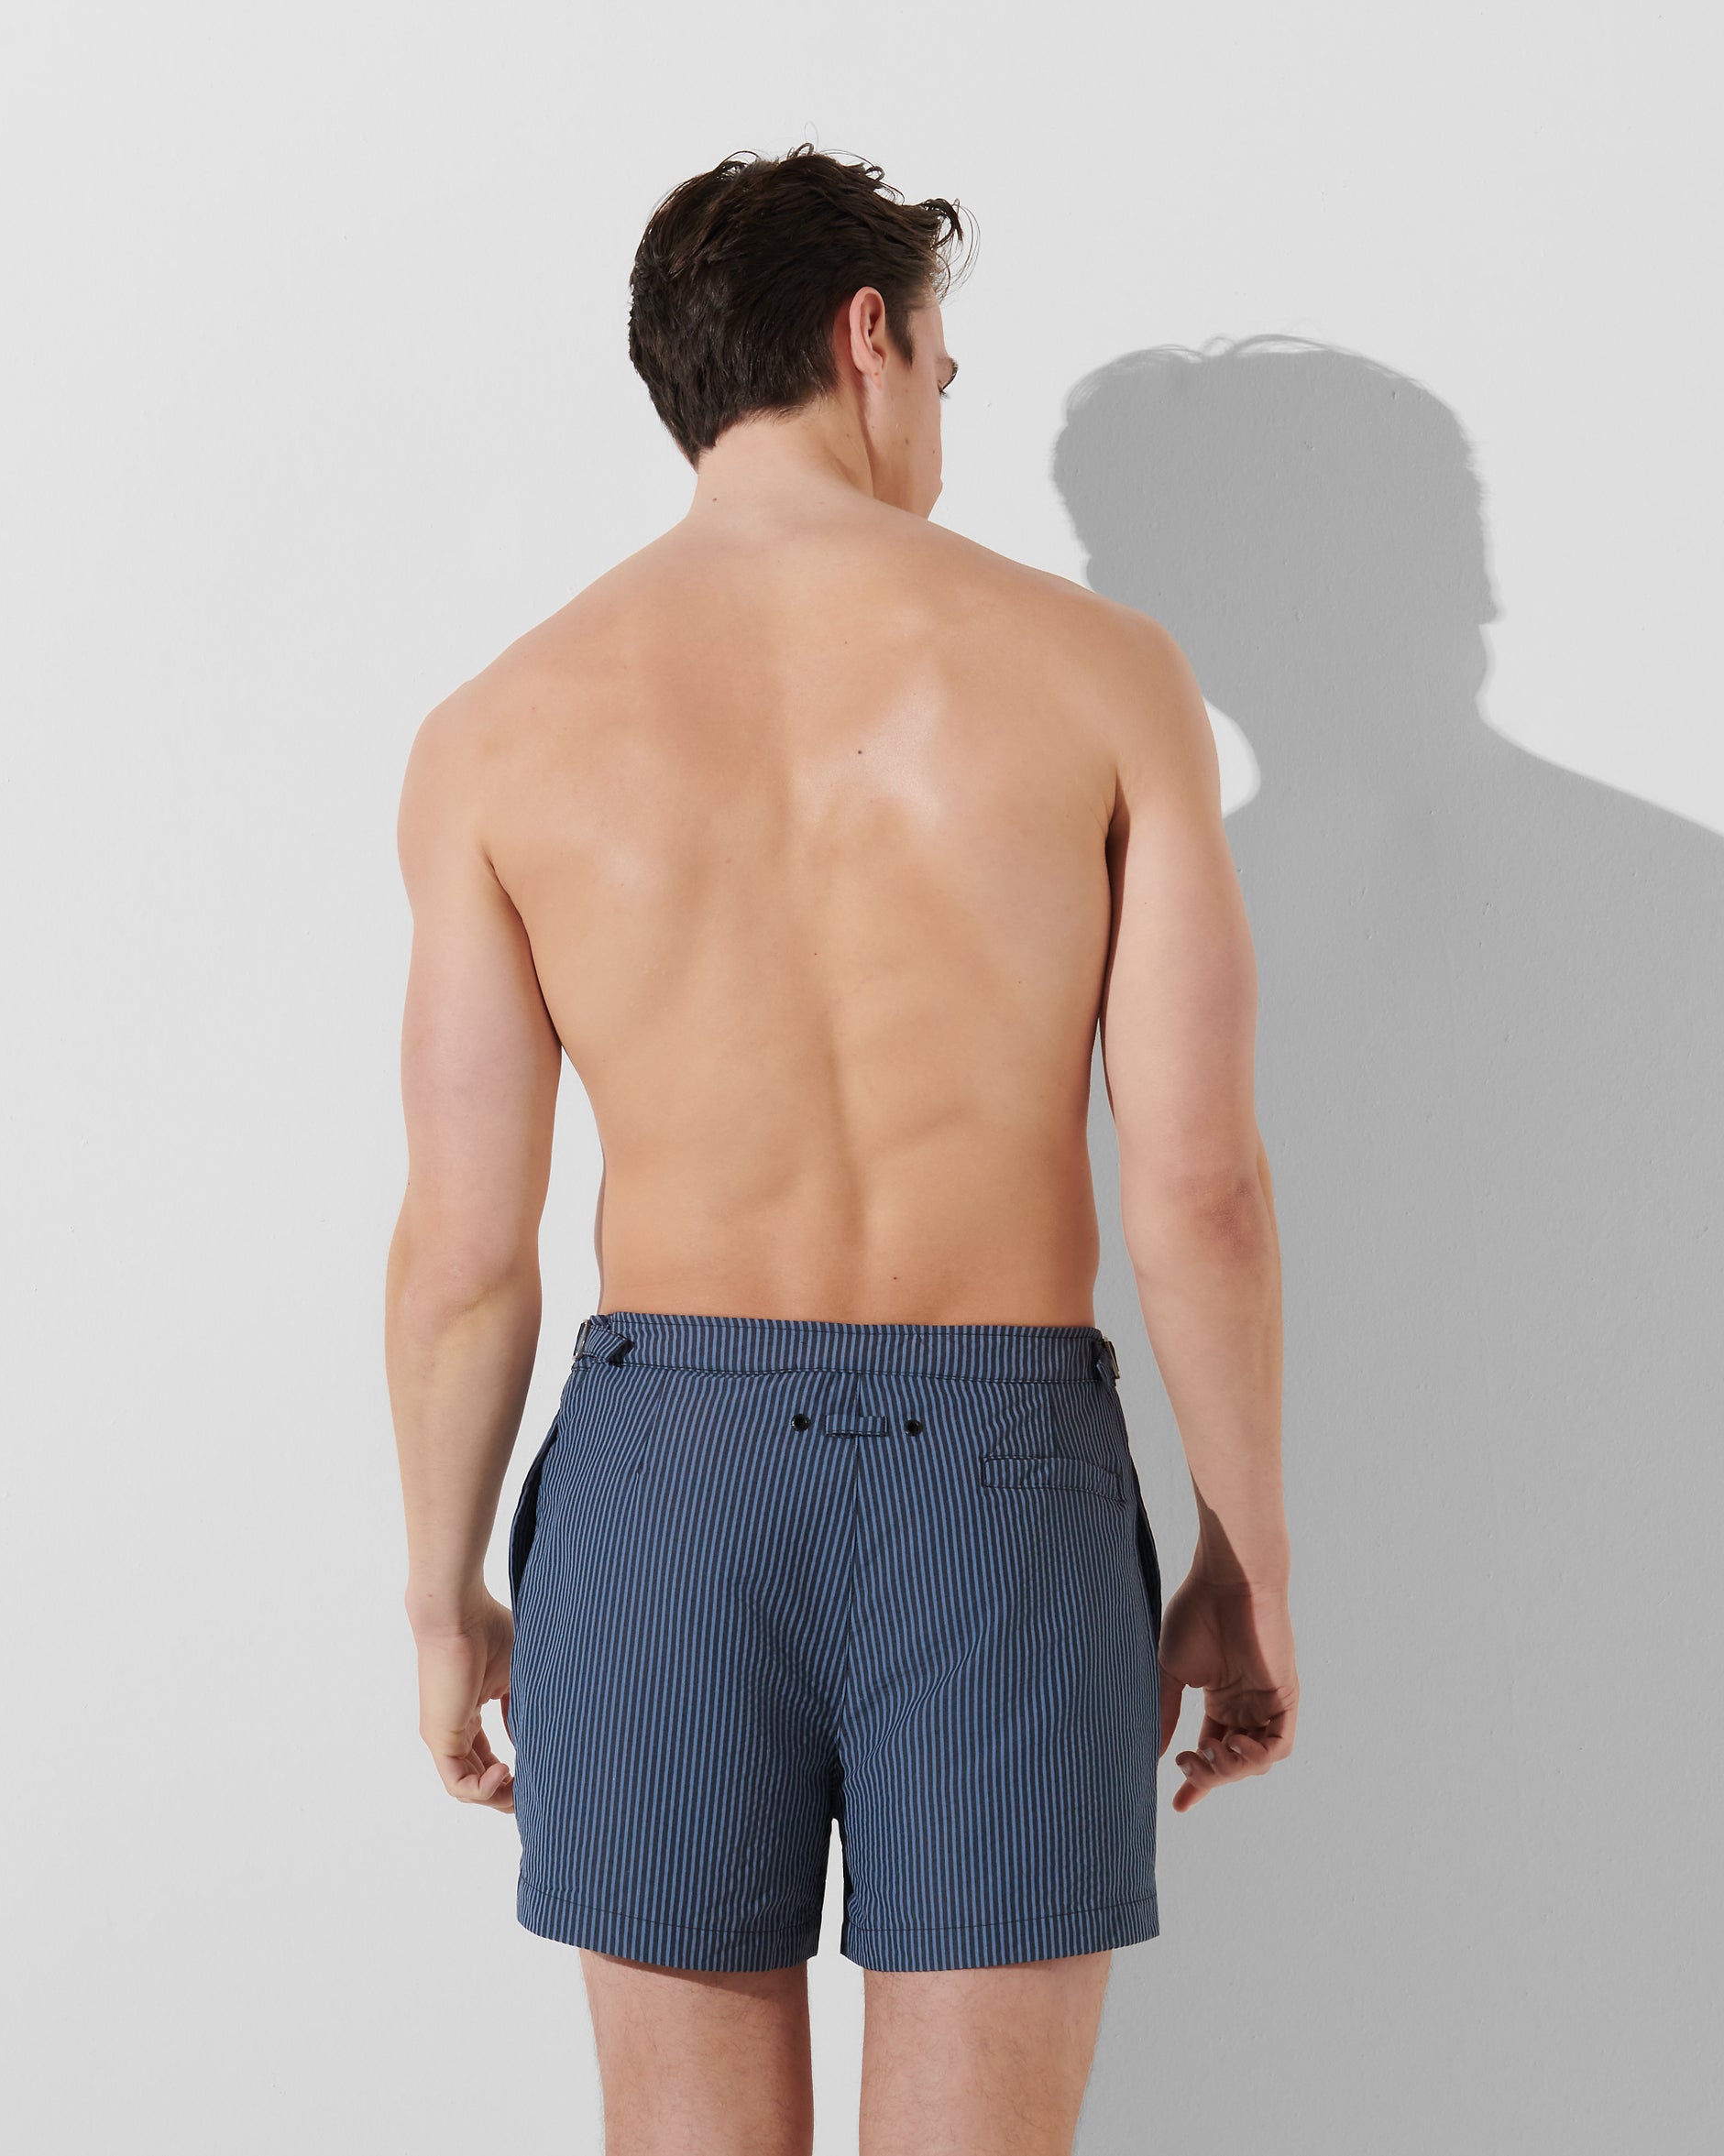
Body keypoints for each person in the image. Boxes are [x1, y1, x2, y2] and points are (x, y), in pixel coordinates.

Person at [385, 144, 1297, 2156]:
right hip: (996, 1477)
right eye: (946, 375)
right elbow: (1199, 1188)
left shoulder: (495, 730)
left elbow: (462, 1246)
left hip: (663, 1486)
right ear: (865, 333)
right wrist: (1243, 1550)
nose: (943, 428)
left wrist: (445, 1595)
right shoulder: (1105, 677)